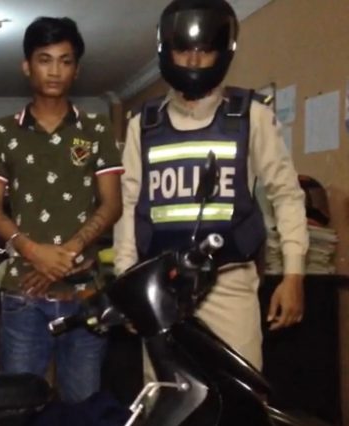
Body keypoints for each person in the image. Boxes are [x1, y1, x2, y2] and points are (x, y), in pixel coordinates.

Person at [113, 0, 308, 371]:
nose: (193, 61)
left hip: (229, 285)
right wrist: (128, 284)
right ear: (167, 51)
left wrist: (294, 273)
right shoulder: (143, 124)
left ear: (222, 52)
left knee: (241, 394)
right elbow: (127, 205)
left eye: (204, 51)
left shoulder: (252, 116)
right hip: (160, 286)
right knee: (168, 394)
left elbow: (287, 195)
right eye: (183, 50)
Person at [0, 17, 123, 403]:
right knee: (18, 404)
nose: (55, 70)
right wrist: (35, 253)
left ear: (77, 69)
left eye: (65, 60)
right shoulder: (2, 132)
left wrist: (66, 253)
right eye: (45, 60)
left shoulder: (96, 129)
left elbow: (112, 204)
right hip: (23, 292)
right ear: (27, 66)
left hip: (84, 293)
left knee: (83, 405)